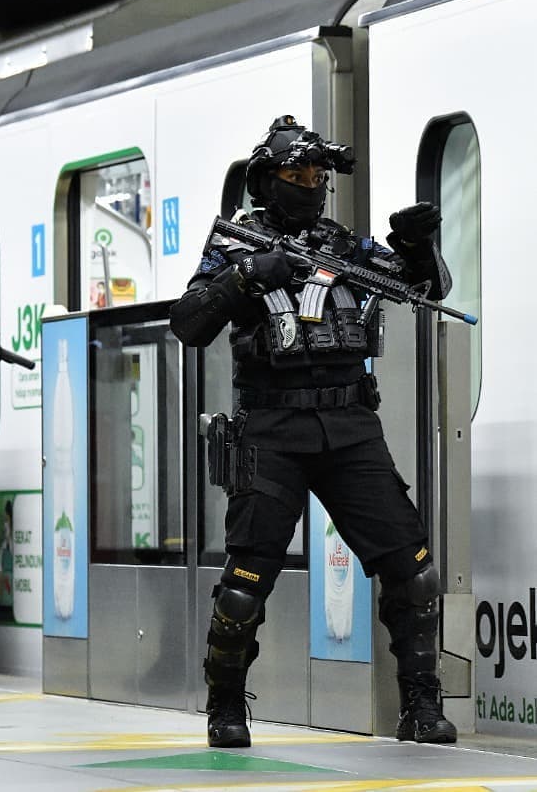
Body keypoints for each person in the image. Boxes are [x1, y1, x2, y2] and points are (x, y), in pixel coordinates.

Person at [169, 115, 457, 748]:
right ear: (264, 181)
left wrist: (417, 250)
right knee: (245, 585)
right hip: (271, 428)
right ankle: (225, 706)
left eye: (318, 175)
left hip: (351, 425)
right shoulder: (235, 244)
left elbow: (427, 290)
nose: (311, 185)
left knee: (414, 572)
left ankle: (421, 704)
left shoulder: (341, 244)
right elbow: (187, 324)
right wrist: (246, 277)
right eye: (297, 173)